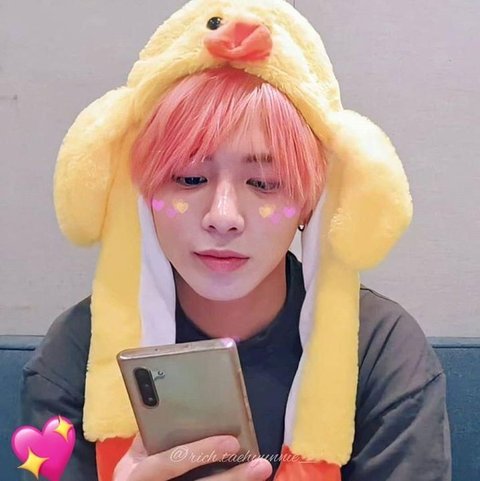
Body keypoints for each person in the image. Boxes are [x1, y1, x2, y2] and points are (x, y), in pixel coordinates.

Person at [21, 1, 451, 481]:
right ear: (141, 194)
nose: (222, 217)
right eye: (189, 178)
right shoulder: (73, 353)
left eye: (264, 183)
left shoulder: (382, 351)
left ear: (310, 202)